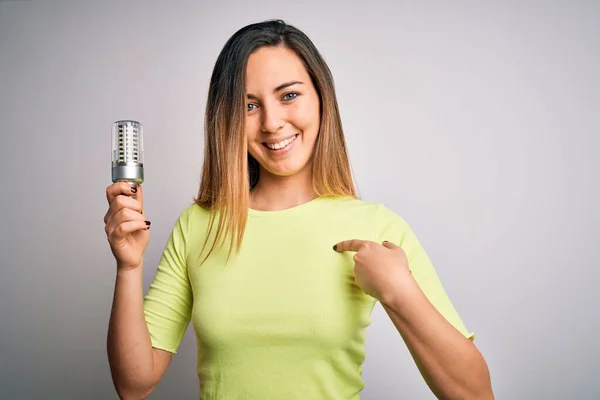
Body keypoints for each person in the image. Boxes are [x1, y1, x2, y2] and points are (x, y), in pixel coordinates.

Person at [104, 19, 494, 400]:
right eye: (250, 105)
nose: (272, 123)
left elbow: (476, 394)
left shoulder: (377, 226)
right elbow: (135, 385)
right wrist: (129, 266)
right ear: (228, 119)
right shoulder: (198, 226)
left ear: (321, 97)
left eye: (289, 95)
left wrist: (400, 292)